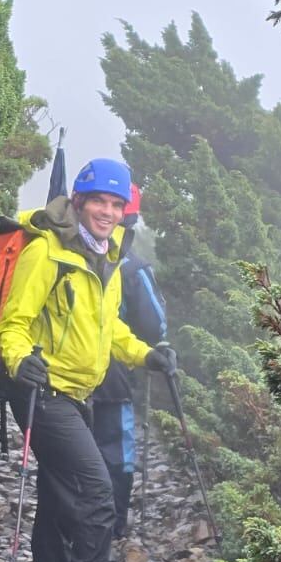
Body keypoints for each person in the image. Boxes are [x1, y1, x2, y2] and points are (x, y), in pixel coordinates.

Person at [0, 159, 177, 562]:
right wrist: (19, 361)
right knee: (96, 491)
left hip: (78, 391)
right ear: (78, 201)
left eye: (117, 204)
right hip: (41, 389)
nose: (108, 211)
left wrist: (145, 355)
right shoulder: (48, 252)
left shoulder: (107, 254)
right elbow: (12, 324)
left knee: (60, 490)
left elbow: (108, 328)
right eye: (99, 201)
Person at [89, 185, 167, 538]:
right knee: (116, 453)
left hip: (62, 377)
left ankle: (72, 527)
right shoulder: (133, 266)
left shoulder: (68, 254)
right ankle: (113, 526)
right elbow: (155, 324)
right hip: (115, 377)